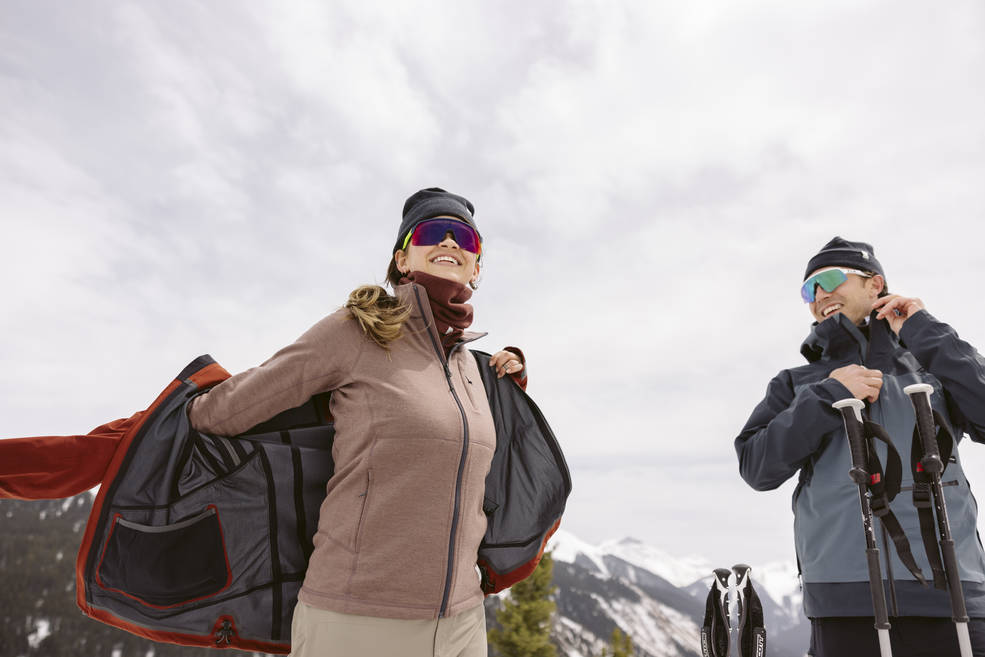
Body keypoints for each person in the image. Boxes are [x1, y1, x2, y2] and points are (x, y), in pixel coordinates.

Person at [181, 187, 528, 657]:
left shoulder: (470, 367)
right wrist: (189, 402)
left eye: (465, 239)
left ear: (476, 267)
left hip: (461, 624)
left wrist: (510, 385)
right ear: (403, 260)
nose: (450, 243)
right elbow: (229, 409)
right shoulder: (355, 331)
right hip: (357, 620)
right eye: (432, 232)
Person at [734, 237, 985, 657]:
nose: (819, 296)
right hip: (844, 604)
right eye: (808, 290)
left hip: (953, 596)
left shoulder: (933, 366)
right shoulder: (797, 384)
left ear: (875, 285)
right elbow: (757, 467)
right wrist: (826, 396)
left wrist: (926, 331)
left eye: (830, 279)